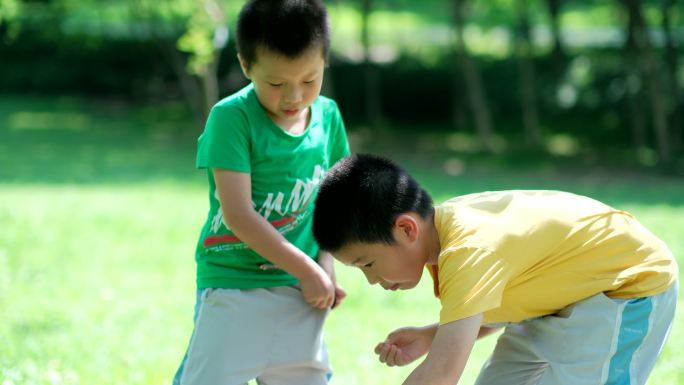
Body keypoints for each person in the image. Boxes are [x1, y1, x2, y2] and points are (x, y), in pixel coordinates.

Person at [311, 153, 678, 385]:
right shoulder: (445, 232)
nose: (373, 280)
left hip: (626, 288)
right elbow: (493, 302)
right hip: (560, 299)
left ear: (406, 229)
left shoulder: (468, 249)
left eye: (368, 264)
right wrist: (430, 336)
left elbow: (441, 375)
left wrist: (436, 349)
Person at [172, 1, 350, 384]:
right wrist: (307, 269)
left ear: (325, 61)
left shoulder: (329, 117)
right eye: (276, 83)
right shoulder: (231, 118)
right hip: (234, 288)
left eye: (309, 80)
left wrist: (326, 268)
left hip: (301, 294)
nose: (294, 97)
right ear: (245, 65)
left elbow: (332, 204)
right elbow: (237, 214)